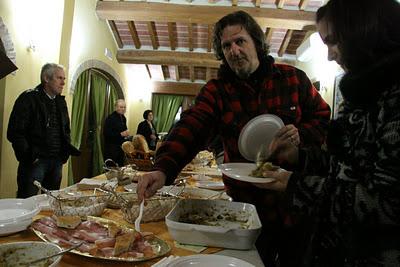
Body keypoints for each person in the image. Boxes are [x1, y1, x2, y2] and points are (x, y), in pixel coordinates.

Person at [137, 10, 331, 266]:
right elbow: (192, 126)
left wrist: (301, 135)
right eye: (226, 45)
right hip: (243, 210)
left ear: (257, 44)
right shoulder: (217, 91)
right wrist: (163, 168)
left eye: (240, 41)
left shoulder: (293, 79)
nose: (234, 50)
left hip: (294, 202)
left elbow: (322, 116)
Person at [253, 0, 400, 266]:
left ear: (364, 33)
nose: (331, 55)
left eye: (333, 42)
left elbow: (389, 205)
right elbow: (347, 169)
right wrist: (299, 157)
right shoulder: (362, 95)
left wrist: (296, 185)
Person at [7, 63, 80, 198]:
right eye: (59, 78)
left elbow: (65, 129)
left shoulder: (60, 102)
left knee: (50, 202)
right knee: (28, 201)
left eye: (64, 78)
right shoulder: (29, 98)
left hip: (56, 161)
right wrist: (30, 156)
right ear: (46, 78)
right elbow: (15, 132)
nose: (63, 83)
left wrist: (63, 155)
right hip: (36, 162)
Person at [103, 99, 130, 166]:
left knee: (120, 168)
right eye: (121, 107)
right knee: (112, 169)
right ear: (116, 107)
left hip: (120, 147)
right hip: (111, 148)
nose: (123, 109)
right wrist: (120, 134)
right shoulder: (110, 118)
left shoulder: (123, 118)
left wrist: (126, 134)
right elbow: (106, 133)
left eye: (124, 107)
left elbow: (124, 130)